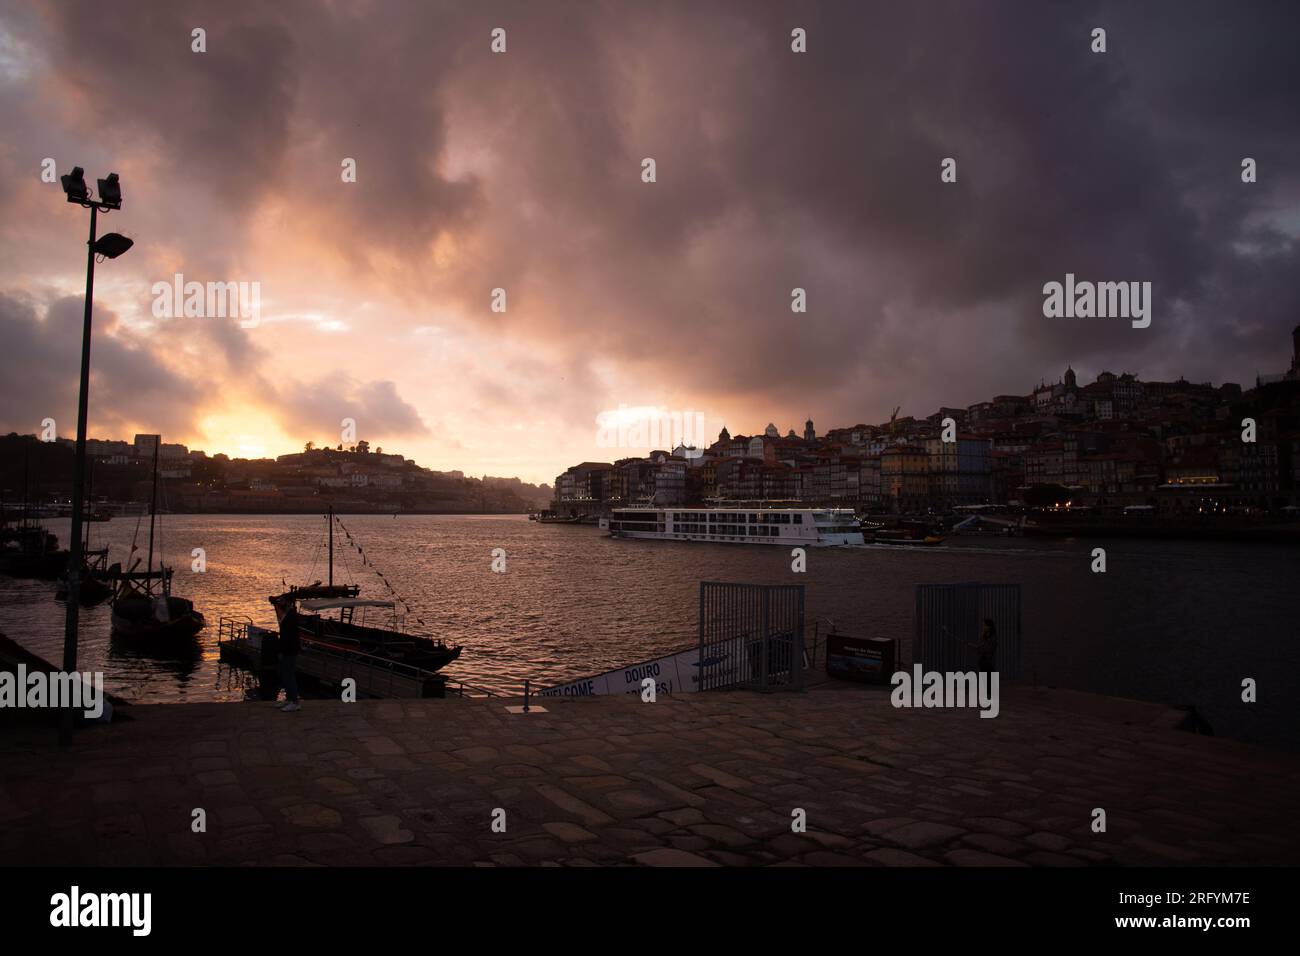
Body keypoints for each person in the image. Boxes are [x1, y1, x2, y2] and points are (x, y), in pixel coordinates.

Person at [273, 595, 302, 712]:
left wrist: (283, 650)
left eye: (283, 601)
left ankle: (295, 701)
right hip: (286, 650)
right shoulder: (286, 615)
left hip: (289, 650)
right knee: (284, 674)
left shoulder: (291, 616)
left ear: (289, 602)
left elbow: (290, 637)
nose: (281, 603)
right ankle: (289, 698)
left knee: (289, 675)